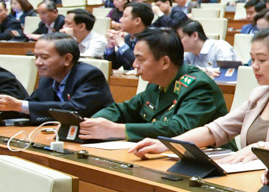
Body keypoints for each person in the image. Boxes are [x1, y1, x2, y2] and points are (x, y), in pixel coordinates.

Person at [129, 26, 269, 164]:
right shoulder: (259, 95)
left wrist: (260, 148)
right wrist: (166, 144)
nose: (254, 66)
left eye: (262, 60)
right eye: (252, 59)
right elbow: (216, 130)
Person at [81, 29, 228, 141]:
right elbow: (124, 109)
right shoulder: (156, 83)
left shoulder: (199, 86)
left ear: (164, 62)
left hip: (210, 161)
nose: (134, 65)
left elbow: (178, 129)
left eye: (140, 59)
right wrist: (88, 124)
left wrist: (117, 130)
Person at [0, 33, 113, 121]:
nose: (38, 63)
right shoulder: (46, 79)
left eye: (44, 57)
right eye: (36, 57)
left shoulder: (89, 75)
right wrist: (8, 107)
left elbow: (75, 109)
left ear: (67, 59)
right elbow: (29, 107)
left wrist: (19, 105)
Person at [104, 1, 153, 71]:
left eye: (125, 16)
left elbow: (140, 65)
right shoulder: (128, 39)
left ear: (137, 21)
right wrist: (110, 47)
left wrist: (121, 45)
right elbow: (113, 66)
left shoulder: (153, 40)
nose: (120, 20)